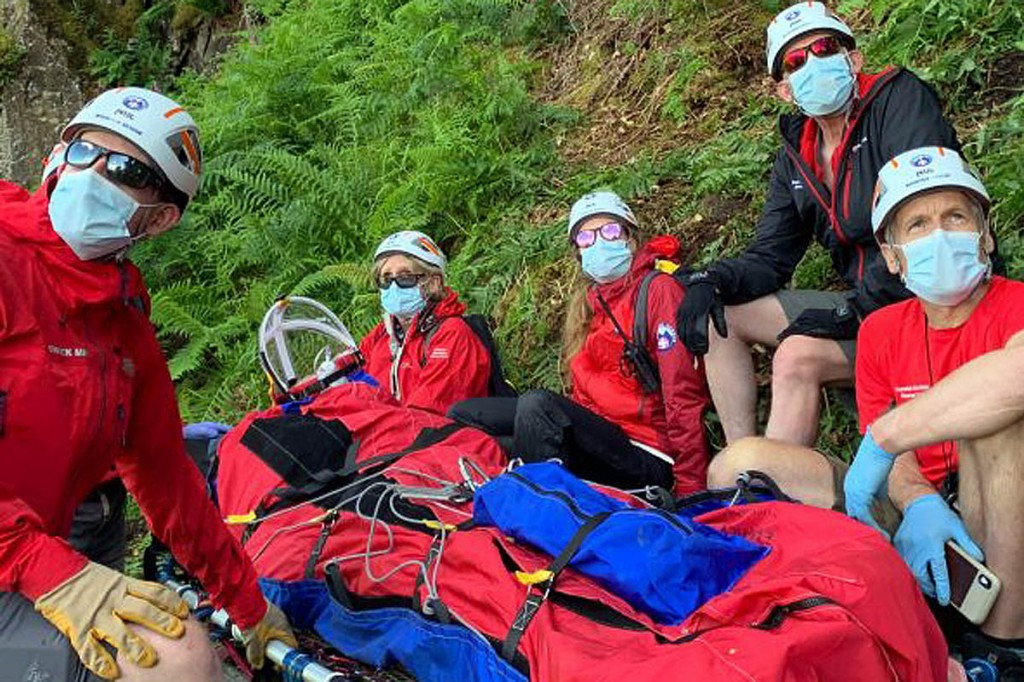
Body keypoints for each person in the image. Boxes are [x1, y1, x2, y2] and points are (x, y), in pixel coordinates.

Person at [0, 87, 295, 681]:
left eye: (126, 168)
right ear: (56, 158)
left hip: (45, 539)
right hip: (18, 551)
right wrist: (46, 568)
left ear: (159, 218)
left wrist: (249, 605)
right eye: (81, 150)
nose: (89, 174)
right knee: (177, 659)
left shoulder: (122, 323)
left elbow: (166, 479)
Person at [708, 146, 1024, 675]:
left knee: (992, 423)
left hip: (1001, 501)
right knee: (738, 464)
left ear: (985, 234)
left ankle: (1002, 649)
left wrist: (889, 436)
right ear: (893, 255)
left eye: (956, 216)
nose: (940, 234)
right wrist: (918, 499)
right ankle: (796, 616)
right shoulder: (880, 330)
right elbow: (890, 451)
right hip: (912, 509)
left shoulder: (1016, 303)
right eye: (918, 224)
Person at [676, 1, 961, 447]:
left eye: (825, 47)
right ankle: (742, 463)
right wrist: (713, 279)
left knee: (795, 354)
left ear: (854, 59)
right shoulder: (796, 155)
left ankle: (776, 489)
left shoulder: (898, 101)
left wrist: (854, 311)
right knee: (721, 316)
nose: (813, 62)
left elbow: (928, 219)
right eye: (795, 60)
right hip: (865, 308)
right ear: (785, 90)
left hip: (929, 299)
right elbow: (770, 259)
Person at [452, 191, 710, 494]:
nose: (599, 242)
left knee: (537, 406)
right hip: (601, 436)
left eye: (611, 231)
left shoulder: (657, 292)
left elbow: (683, 392)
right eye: (586, 238)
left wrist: (691, 485)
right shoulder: (591, 303)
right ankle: (528, 488)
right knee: (467, 419)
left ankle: (545, 510)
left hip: (648, 453)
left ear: (631, 238)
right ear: (578, 252)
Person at [359, 230, 492, 414]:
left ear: (434, 282)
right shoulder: (382, 335)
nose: (394, 286)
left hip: (437, 438)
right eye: (387, 279)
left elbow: (429, 412)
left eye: (405, 277)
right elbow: (347, 377)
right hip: (384, 436)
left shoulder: (451, 333)